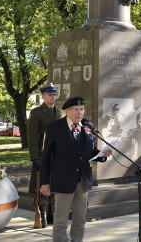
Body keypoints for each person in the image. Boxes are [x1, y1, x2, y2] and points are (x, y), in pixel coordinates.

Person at [39, 96, 111, 242]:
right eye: (76, 110)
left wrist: (102, 155)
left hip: (83, 181)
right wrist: (44, 182)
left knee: (80, 219)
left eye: (82, 109)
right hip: (63, 180)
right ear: (67, 111)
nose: (80, 113)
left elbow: (88, 153)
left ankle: (77, 240)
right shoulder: (55, 127)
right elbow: (45, 157)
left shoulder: (87, 127)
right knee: (60, 221)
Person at [27, 84, 63, 228]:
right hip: (43, 153)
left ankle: (52, 212)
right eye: (49, 95)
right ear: (42, 96)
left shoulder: (61, 112)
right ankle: (43, 214)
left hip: (58, 154)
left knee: (55, 183)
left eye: (54, 95)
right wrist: (35, 157)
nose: (52, 97)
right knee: (42, 184)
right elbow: (32, 136)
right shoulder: (36, 113)